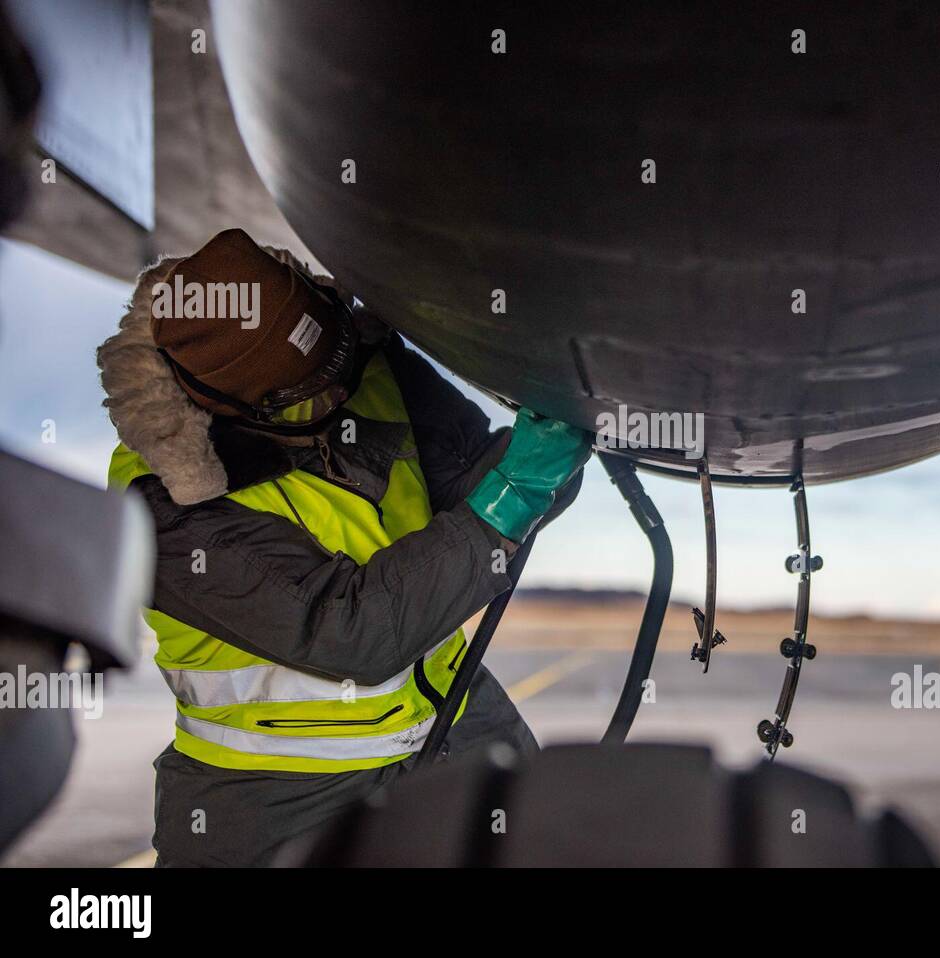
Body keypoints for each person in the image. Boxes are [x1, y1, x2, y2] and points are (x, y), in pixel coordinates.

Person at [96, 227, 590, 866]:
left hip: (449, 723)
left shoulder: (362, 368)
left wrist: (548, 445)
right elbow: (349, 631)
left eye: (340, 369)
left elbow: (471, 489)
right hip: (276, 792)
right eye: (310, 403)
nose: (341, 396)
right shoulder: (164, 502)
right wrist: (513, 495)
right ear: (224, 406)